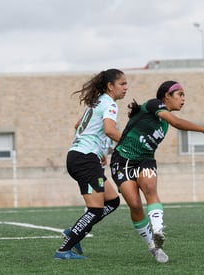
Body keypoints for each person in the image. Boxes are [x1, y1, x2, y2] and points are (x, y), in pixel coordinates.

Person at [109, 80, 204, 263]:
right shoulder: (153, 104)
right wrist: (202, 129)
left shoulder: (163, 124)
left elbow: (172, 122)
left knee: (150, 188)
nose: (183, 99)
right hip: (123, 159)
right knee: (134, 204)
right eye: (180, 95)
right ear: (167, 96)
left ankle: (158, 231)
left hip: (146, 160)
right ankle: (152, 247)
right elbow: (177, 122)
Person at [54, 69, 128, 260]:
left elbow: (78, 125)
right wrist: (131, 143)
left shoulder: (97, 102)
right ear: (110, 86)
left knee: (112, 201)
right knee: (95, 209)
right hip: (85, 159)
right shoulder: (110, 104)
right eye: (122, 84)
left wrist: (100, 150)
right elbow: (110, 130)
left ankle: (76, 231)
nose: (126, 88)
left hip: (81, 156)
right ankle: (64, 250)